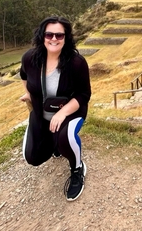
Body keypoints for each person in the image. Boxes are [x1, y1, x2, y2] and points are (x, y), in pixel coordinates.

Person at [19, 16, 91, 201]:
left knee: (64, 136)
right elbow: (24, 76)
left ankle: (77, 169)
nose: (54, 39)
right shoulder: (29, 58)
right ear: (42, 36)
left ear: (66, 38)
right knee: (32, 157)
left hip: (71, 112)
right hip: (41, 113)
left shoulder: (76, 63)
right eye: (49, 34)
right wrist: (28, 93)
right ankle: (55, 143)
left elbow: (83, 95)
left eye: (59, 35)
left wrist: (62, 113)